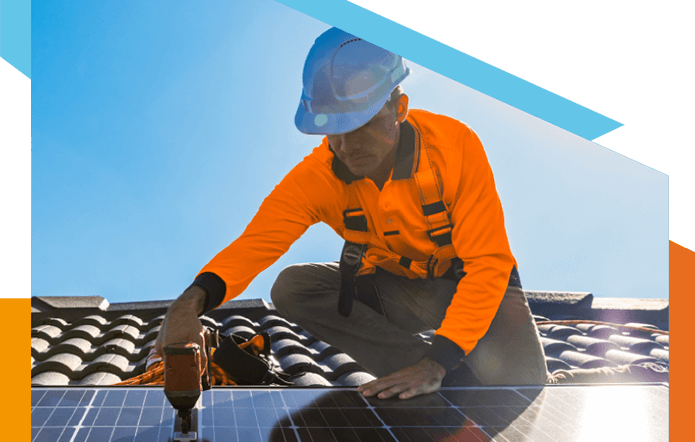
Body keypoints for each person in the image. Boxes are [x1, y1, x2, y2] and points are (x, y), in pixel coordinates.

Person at [154, 27, 551, 399]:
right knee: (293, 287)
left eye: (361, 125)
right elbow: (253, 247)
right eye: (334, 130)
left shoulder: (454, 147)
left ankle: (444, 367)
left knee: (523, 390)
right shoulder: (317, 178)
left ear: (399, 108)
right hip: (395, 289)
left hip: (474, 288)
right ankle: (436, 376)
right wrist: (187, 306)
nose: (346, 146)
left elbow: (488, 264)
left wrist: (439, 359)